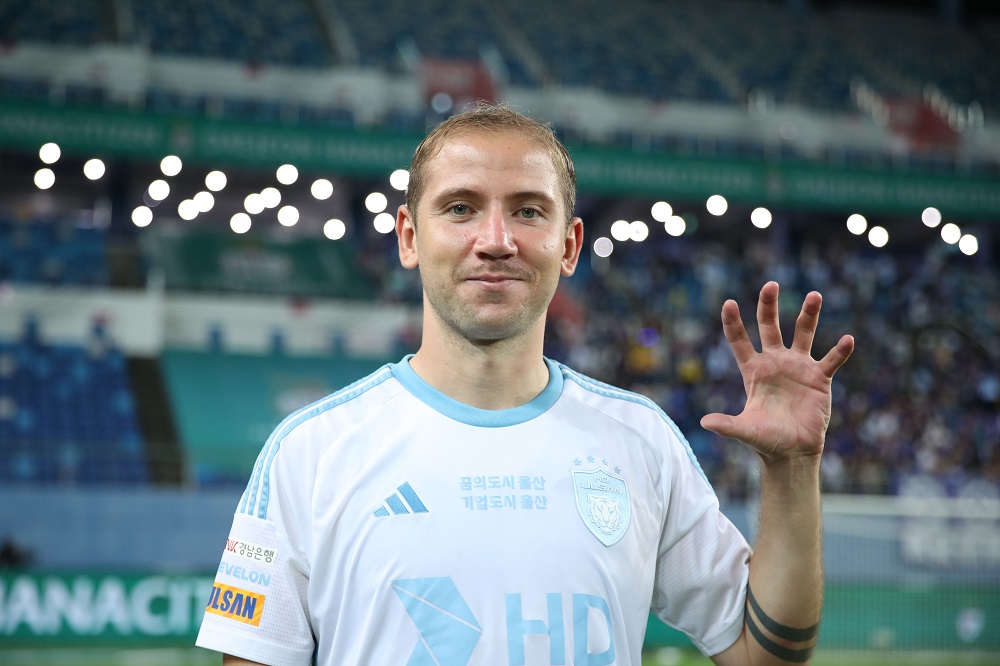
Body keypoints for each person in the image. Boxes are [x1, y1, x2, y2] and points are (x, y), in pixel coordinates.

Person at [196, 103, 854, 665]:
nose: (495, 240)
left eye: (528, 211)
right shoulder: (310, 451)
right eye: (460, 208)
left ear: (569, 246)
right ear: (409, 237)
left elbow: (762, 654)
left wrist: (793, 469)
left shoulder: (641, 441)